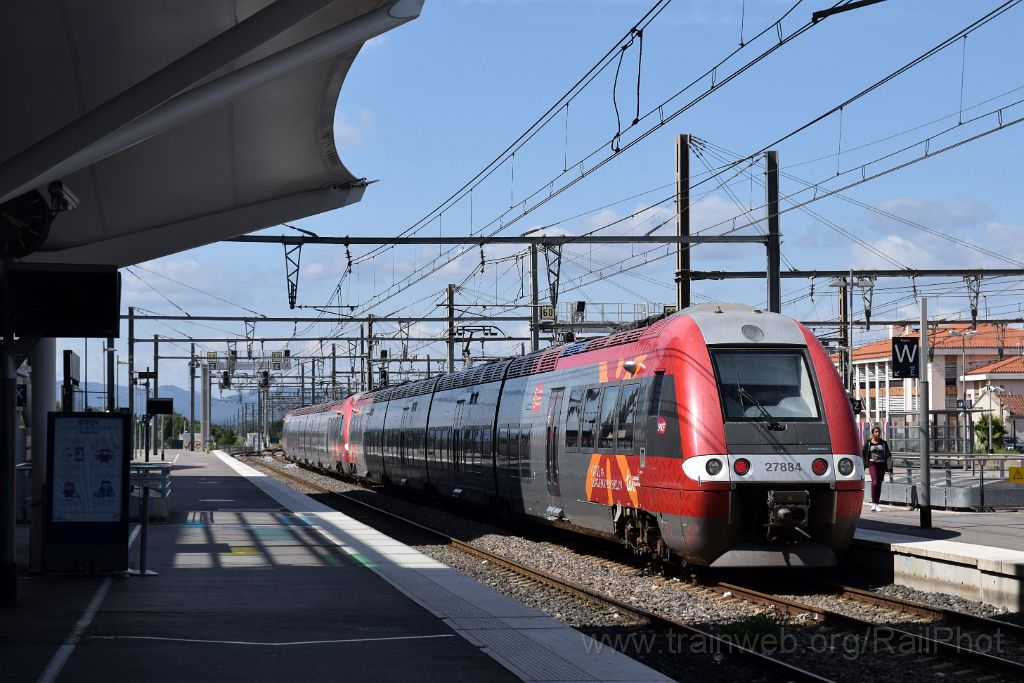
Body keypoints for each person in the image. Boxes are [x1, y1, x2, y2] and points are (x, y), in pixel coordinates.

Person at [862, 426, 892, 512]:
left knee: (879, 484)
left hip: (882, 464)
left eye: (879, 432)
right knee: (874, 482)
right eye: (876, 432)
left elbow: (888, 455)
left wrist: (889, 467)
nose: (877, 433)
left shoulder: (883, 443)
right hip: (872, 464)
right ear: (872, 433)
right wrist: (864, 465)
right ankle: (873, 503)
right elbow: (864, 454)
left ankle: (877, 504)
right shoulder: (868, 443)